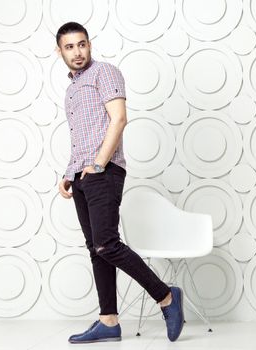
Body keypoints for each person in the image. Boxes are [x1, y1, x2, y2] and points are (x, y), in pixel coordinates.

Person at [56, 22, 185, 344]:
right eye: (70, 47)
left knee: (106, 244)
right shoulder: (72, 88)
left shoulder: (105, 72)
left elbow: (119, 119)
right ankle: (109, 321)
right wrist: (69, 173)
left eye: (82, 44)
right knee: (96, 251)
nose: (77, 52)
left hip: (104, 170)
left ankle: (166, 296)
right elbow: (84, 134)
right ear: (60, 51)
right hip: (81, 174)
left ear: (89, 44)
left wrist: (98, 164)